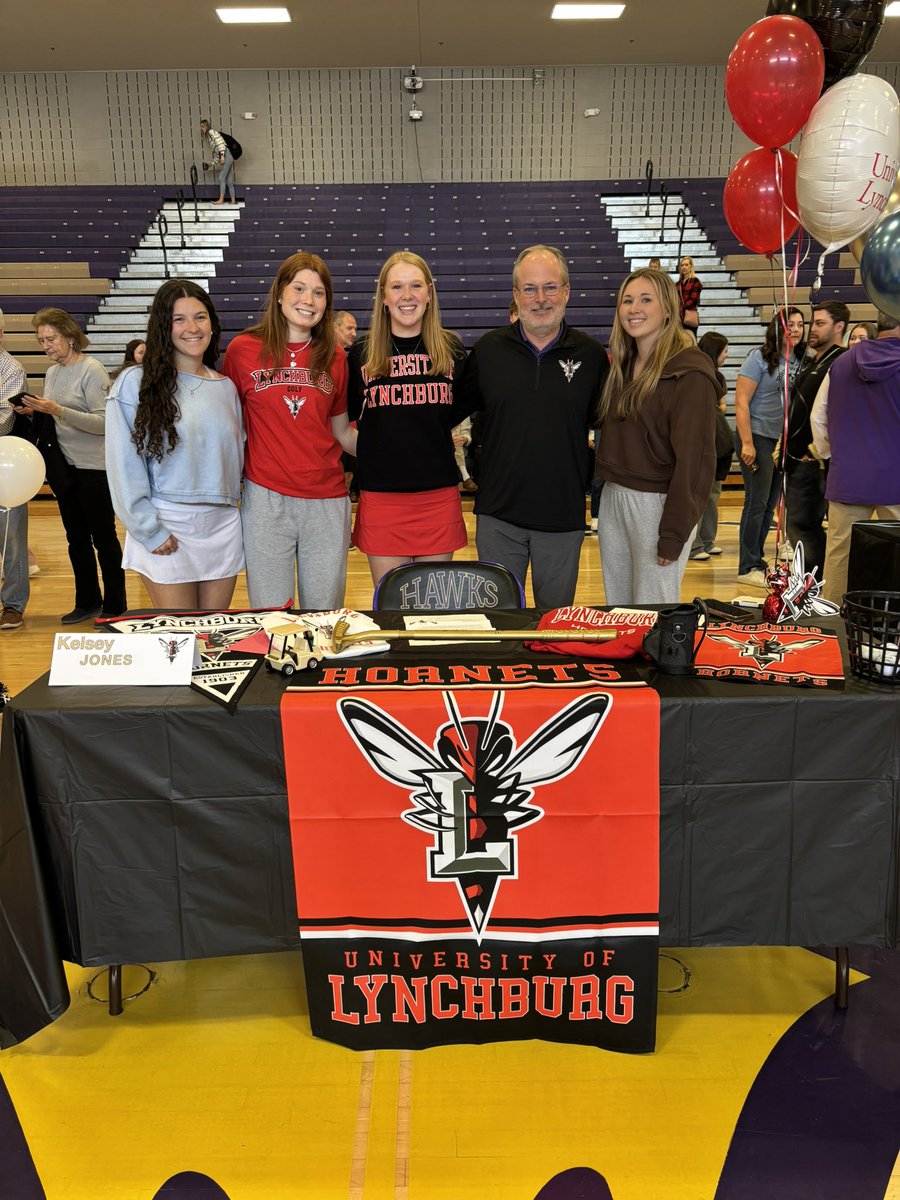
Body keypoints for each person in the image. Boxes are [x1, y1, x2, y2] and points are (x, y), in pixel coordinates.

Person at [458, 245, 609, 608]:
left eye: (550, 287)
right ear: (515, 295)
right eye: (529, 288)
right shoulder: (487, 351)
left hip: (562, 518)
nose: (540, 298)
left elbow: (607, 425)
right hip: (498, 517)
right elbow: (445, 415)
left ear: (567, 292)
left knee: (554, 628)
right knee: (496, 626)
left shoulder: (590, 357)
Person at [223, 251, 356, 610]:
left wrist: (403, 443)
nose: (308, 300)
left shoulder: (336, 357)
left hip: (327, 501)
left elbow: (343, 432)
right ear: (280, 293)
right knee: (271, 615)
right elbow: (229, 428)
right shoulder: (241, 351)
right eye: (299, 288)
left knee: (324, 615)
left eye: (318, 292)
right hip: (266, 499)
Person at [106, 280, 245, 611]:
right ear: (162, 327)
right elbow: (123, 464)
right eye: (178, 319)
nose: (191, 328)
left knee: (211, 642)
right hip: (168, 523)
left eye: (199, 317)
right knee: (178, 645)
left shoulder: (226, 387)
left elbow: (236, 460)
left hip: (222, 526)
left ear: (212, 322)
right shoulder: (135, 383)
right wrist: (147, 528)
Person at [594, 268, 720, 605]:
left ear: (668, 308)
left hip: (658, 504)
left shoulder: (690, 372)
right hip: (614, 497)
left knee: (653, 614)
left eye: (646, 300)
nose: (634, 308)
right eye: (627, 300)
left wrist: (674, 533)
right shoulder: (622, 365)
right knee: (618, 611)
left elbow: (696, 463)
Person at [346, 251, 468, 585]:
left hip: (438, 497)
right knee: (391, 607)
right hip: (382, 499)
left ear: (429, 292)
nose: (407, 295)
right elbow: (341, 424)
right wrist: (374, 452)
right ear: (383, 296)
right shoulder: (362, 352)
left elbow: (451, 418)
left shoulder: (451, 350)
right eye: (396, 286)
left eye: (415, 285)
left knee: (433, 609)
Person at [15, 307, 126, 623]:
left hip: (93, 469)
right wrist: (37, 411)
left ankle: (116, 605)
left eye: (50, 338)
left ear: (70, 336)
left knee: (103, 539)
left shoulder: (92, 370)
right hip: (64, 468)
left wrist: (58, 410)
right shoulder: (53, 373)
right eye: (41, 341)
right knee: (76, 539)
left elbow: (104, 423)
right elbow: (57, 417)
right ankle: (88, 600)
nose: (46, 346)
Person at [812, 309, 900, 603]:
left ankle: (832, 630)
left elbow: (818, 417)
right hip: (896, 476)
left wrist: (832, 453)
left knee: (839, 556)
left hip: (848, 473)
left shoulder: (841, 362)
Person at [733, 307, 805, 589]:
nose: (796, 329)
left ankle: (757, 559)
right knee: (756, 503)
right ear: (778, 328)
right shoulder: (758, 358)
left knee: (769, 506)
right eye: (791, 325)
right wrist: (748, 442)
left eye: (801, 324)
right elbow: (741, 401)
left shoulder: (800, 360)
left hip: (781, 442)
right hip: (758, 437)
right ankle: (746, 564)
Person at [784, 301, 848, 577]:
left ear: (839, 327)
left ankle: (811, 587)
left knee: (804, 526)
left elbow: (835, 413)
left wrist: (821, 451)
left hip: (814, 462)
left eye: (820, 323)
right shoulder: (814, 361)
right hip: (796, 459)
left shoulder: (840, 363)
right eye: (814, 322)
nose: (812, 329)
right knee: (797, 526)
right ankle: (807, 583)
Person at [689, 331, 732, 560]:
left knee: (712, 495)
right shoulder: (699, 374)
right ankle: (694, 545)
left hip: (718, 446)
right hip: (702, 445)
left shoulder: (715, 376)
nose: (727, 355)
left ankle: (707, 540)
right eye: (724, 351)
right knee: (698, 496)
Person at [0, 308, 29, 632]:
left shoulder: (10, 368)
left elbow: (4, 417)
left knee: (11, 540)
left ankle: (12, 605)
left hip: (6, 465)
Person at [200, 119, 235, 205]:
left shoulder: (212, 132)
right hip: (227, 154)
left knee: (221, 177)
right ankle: (233, 201)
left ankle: (221, 200)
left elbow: (221, 144)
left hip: (227, 154)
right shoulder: (209, 136)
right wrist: (210, 165)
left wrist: (222, 155)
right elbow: (218, 154)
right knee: (229, 180)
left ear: (207, 126)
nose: (201, 128)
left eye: (202, 126)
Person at [675, 256, 702, 333]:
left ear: (691, 267)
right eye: (682, 265)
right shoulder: (678, 284)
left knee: (690, 339)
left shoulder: (695, 281)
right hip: (679, 317)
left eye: (686, 265)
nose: (684, 267)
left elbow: (694, 300)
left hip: (689, 315)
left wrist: (680, 308)